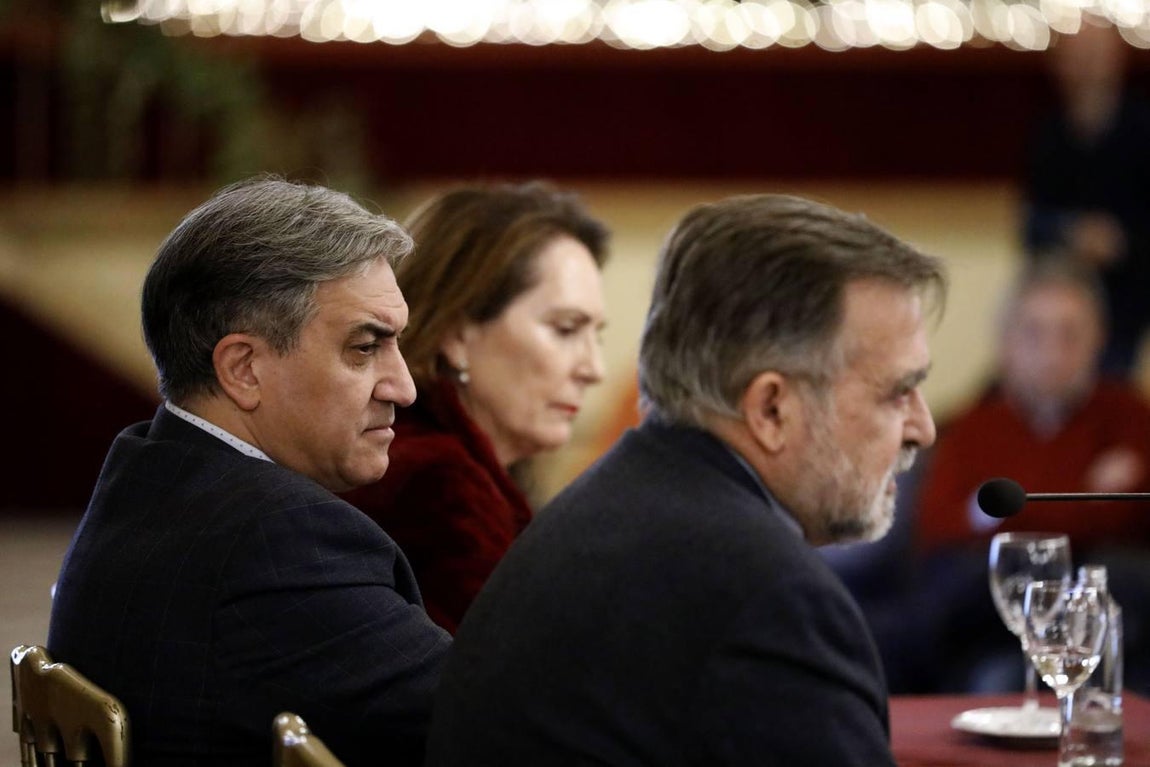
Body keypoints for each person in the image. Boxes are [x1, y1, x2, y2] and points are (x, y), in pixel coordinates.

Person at [424, 193, 947, 765]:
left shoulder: (611, 505)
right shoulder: (765, 592)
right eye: (898, 391)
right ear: (771, 409)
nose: (922, 428)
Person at [47, 176, 452, 767]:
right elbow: (491, 724)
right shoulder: (278, 541)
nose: (405, 387)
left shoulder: (148, 469)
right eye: (365, 347)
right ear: (243, 369)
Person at [341, 181, 609, 633]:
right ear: (457, 335)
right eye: (566, 329)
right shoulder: (438, 486)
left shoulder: (441, 466)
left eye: (596, 335)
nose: (594, 369)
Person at [915, 256, 1150, 693]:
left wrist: (1015, 510)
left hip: (1120, 635)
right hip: (997, 637)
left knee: (1120, 578)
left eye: (1071, 333)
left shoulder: (1133, 420)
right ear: (1005, 343)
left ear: (1099, 339)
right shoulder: (968, 430)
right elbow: (942, 531)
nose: (1053, 352)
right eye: (1035, 333)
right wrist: (1088, 499)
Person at [1023, 21, 1150, 377]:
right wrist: (1071, 233)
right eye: (1077, 57)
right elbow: (1029, 226)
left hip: (1131, 300)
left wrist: (1119, 242)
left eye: (1095, 55)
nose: (1087, 66)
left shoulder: (1141, 132)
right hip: (1062, 288)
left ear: (1117, 59)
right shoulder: (1048, 136)